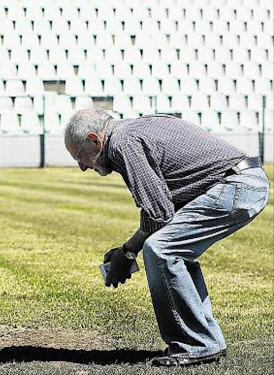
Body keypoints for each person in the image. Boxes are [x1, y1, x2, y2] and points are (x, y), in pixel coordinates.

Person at [64, 109, 270, 367]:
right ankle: (205, 340)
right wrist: (127, 251)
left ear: (95, 140)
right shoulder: (134, 130)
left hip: (236, 185)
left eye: (80, 157)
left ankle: (197, 344)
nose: (83, 166)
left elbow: (158, 212)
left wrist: (127, 252)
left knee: (162, 249)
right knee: (173, 250)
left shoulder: (121, 143)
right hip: (244, 180)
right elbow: (162, 207)